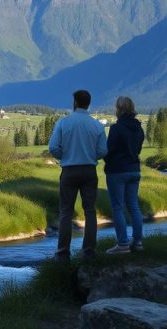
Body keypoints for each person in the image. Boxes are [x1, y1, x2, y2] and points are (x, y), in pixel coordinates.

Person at [49, 89, 108, 262]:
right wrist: (90, 156)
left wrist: (65, 156)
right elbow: (103, 151)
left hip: (69, 171)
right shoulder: (97, 125)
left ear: (75, 102)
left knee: (66, 213)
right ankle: (89, 252)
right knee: (90, 212)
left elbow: (53, 148)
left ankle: (62, 254)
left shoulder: (63, 122)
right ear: (88, 103)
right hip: (89, 171)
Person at [103, 96, 144, 254]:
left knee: (118, 207)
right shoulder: (139, 128)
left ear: (118, 109)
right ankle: (138, 242)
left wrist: (106, 158)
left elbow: (109, 151)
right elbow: (138, 150)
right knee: (133, 206)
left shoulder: (116, 128)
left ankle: (123, 244)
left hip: (117, 171)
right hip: (135, 169)